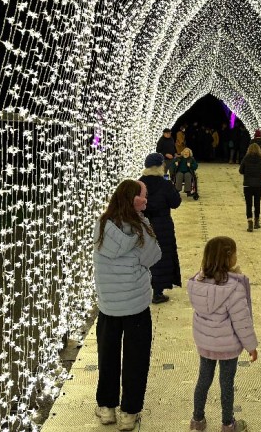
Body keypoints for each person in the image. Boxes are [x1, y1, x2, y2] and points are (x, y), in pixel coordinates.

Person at [92, 179, 162, 431]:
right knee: (136, 358)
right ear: (132, 199)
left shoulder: (101, 225)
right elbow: (153, 257)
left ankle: (107, 408)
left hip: (109, 304)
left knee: (107, 356)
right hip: (136, 304)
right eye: (142, 196)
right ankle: (129, 413)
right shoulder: (140, 227)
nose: (146, 200)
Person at [187, 236, 258, 432]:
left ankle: (197, 421)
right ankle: (228, 424)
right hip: (227, 347)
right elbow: (242, 322)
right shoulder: (233, 288)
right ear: (229, 258)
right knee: (226, 384)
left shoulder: (197, 283)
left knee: (203, 380)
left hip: (206, 344)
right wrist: (251, 347)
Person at [139, 153, 183, 305]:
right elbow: (175, 202)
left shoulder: (139, 184)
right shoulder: (164, 184)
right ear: (160, 166)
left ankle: (143, 288)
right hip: (162, 225)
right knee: (161, 256)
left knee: (144, 256)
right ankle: (157, 292)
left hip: (143, 225)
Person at [238, 143, 261, 232]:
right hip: (258, 185)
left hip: (248, 185)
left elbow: (241, 170)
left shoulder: (246, 158)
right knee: (257, 203)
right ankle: (257, 221)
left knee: (249, 204)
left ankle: (250, 221)